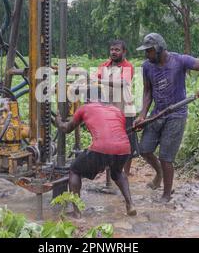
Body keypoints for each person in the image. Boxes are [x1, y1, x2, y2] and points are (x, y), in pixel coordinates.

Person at [134, 33, 199, 203]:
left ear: (159, 49)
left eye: (149, 51)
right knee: (144, 149)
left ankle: (166, 193)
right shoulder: (147, 66)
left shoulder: (179, 61)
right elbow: (148, 92)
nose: (146, 55)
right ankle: (159, 173)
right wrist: (143, 115)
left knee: (166, 157)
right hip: (157, 113)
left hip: (176, 114)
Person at [55, 86, 137, 218]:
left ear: (88, 99)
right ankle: (130, 204)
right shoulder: (116, 110)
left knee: (75, 170)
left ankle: (77, 212)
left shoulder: (85, 108)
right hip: (124, 148)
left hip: (102, 147)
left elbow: (66, 128)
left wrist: (58, 119)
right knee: (117, 173)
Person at [95, 40, 139, 176]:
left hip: (126, 110)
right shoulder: (104, 66)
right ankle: (110, 171)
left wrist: (100, 81)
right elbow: (93, 80)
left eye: (117, 50)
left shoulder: (128, 66)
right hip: (109, 110)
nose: (114, 52)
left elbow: (122, 83)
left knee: (128, 141)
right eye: (112, 49)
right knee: (109, 139)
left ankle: (125, 172)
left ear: (124, 52)